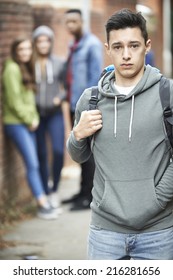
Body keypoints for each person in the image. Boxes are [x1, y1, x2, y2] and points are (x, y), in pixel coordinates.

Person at [67, 8, 173, 260]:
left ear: (147, 46)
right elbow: (78, 156)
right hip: (105, 232)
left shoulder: (167, 94)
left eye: (134, 45)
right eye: (118, 47)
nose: (126, 55)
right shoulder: (91, 99)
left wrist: (157, 200)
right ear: (107, 49)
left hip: (158, 232)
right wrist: (78, 134)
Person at [2, 36, 58, 220]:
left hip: (28, 123)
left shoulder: (24, 67)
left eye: (27, 49)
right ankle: (42, 205)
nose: (25, 53)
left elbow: (29, 100)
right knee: (32, 163)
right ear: (15, 51)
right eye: (21, 50)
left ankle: (44, 201)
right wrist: (30, 119)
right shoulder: (11, 69)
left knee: (35, 161)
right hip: (16, 124)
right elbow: (14, 101)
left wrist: (33, 118)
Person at [63, 9, 103, 211]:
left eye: (74, 21)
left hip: (85, 107)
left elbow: (96, 79)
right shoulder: (73, 45)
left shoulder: (92, 45)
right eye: (67, 22)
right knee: (79, 149)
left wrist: (90, 107)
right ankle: (81, 191)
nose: (70, 25)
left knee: (88, 153)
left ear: (82, 21)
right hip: (73, 105)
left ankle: (88, 196)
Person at [32, 26, 70, 212]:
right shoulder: (30, 64)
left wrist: (60, 98)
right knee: (40, 154)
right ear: (35, 43)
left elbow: (66, 87)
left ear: (51, 42)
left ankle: (54, 190)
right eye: (40, 41)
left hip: (54, 113)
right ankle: (45, 192)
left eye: (47, 40)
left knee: (57, 151)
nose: (43, 44)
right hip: (37, 115)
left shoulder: (59, 62)